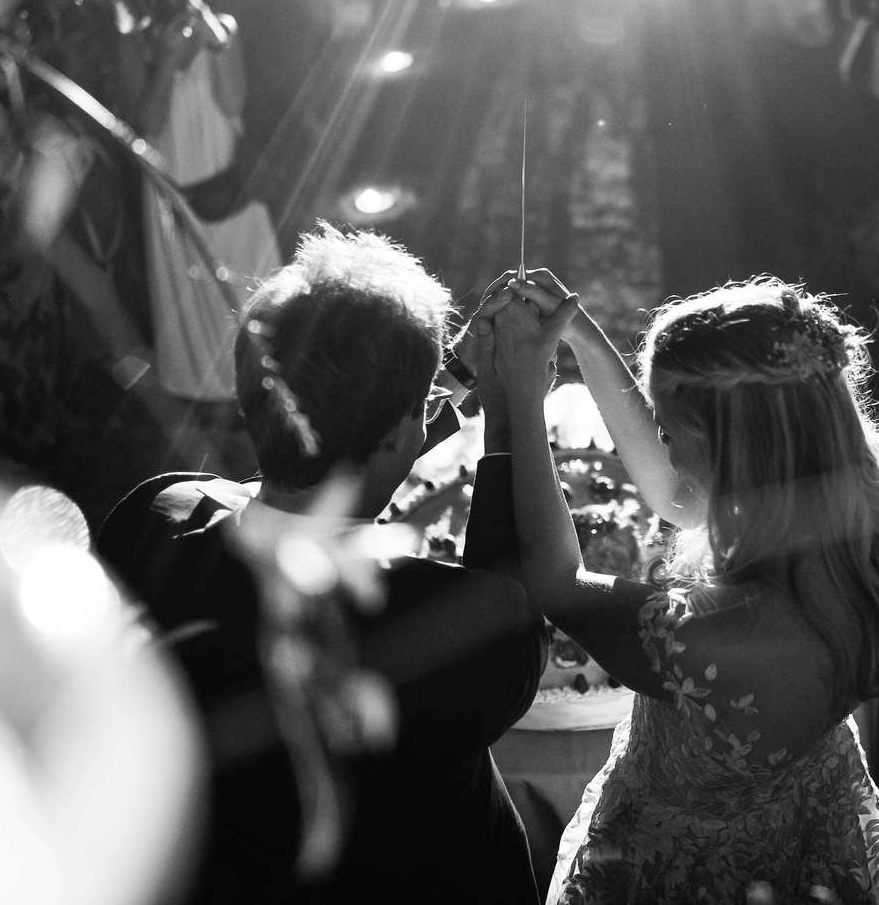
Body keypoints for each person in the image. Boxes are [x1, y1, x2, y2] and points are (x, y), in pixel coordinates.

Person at [486, 272, 879, 904]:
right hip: (803, 850)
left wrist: (520, 400)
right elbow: (678, 495)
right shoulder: (847, 553)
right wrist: (580, 336)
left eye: (667, 429)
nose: (662, 446)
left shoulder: (710, 634)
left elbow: (556, 584)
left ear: (730, 450)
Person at [96, 226, 544, 904]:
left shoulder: (152, 519)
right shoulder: (444, 628)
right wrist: (508, 420)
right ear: (399, 432)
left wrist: (437, 382)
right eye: (414, 414)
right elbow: (512, 605)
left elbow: (306, 459)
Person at [119, 0, 284, 432]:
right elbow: (144, 123)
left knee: (252, 284)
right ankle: (212, 401)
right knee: (196, 294)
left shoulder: (220, 30)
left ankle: (272, 386)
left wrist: (217, 46)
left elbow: (234, 106)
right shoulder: (135, 45)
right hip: (176, 184)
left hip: (227, 180)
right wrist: (166, 59)